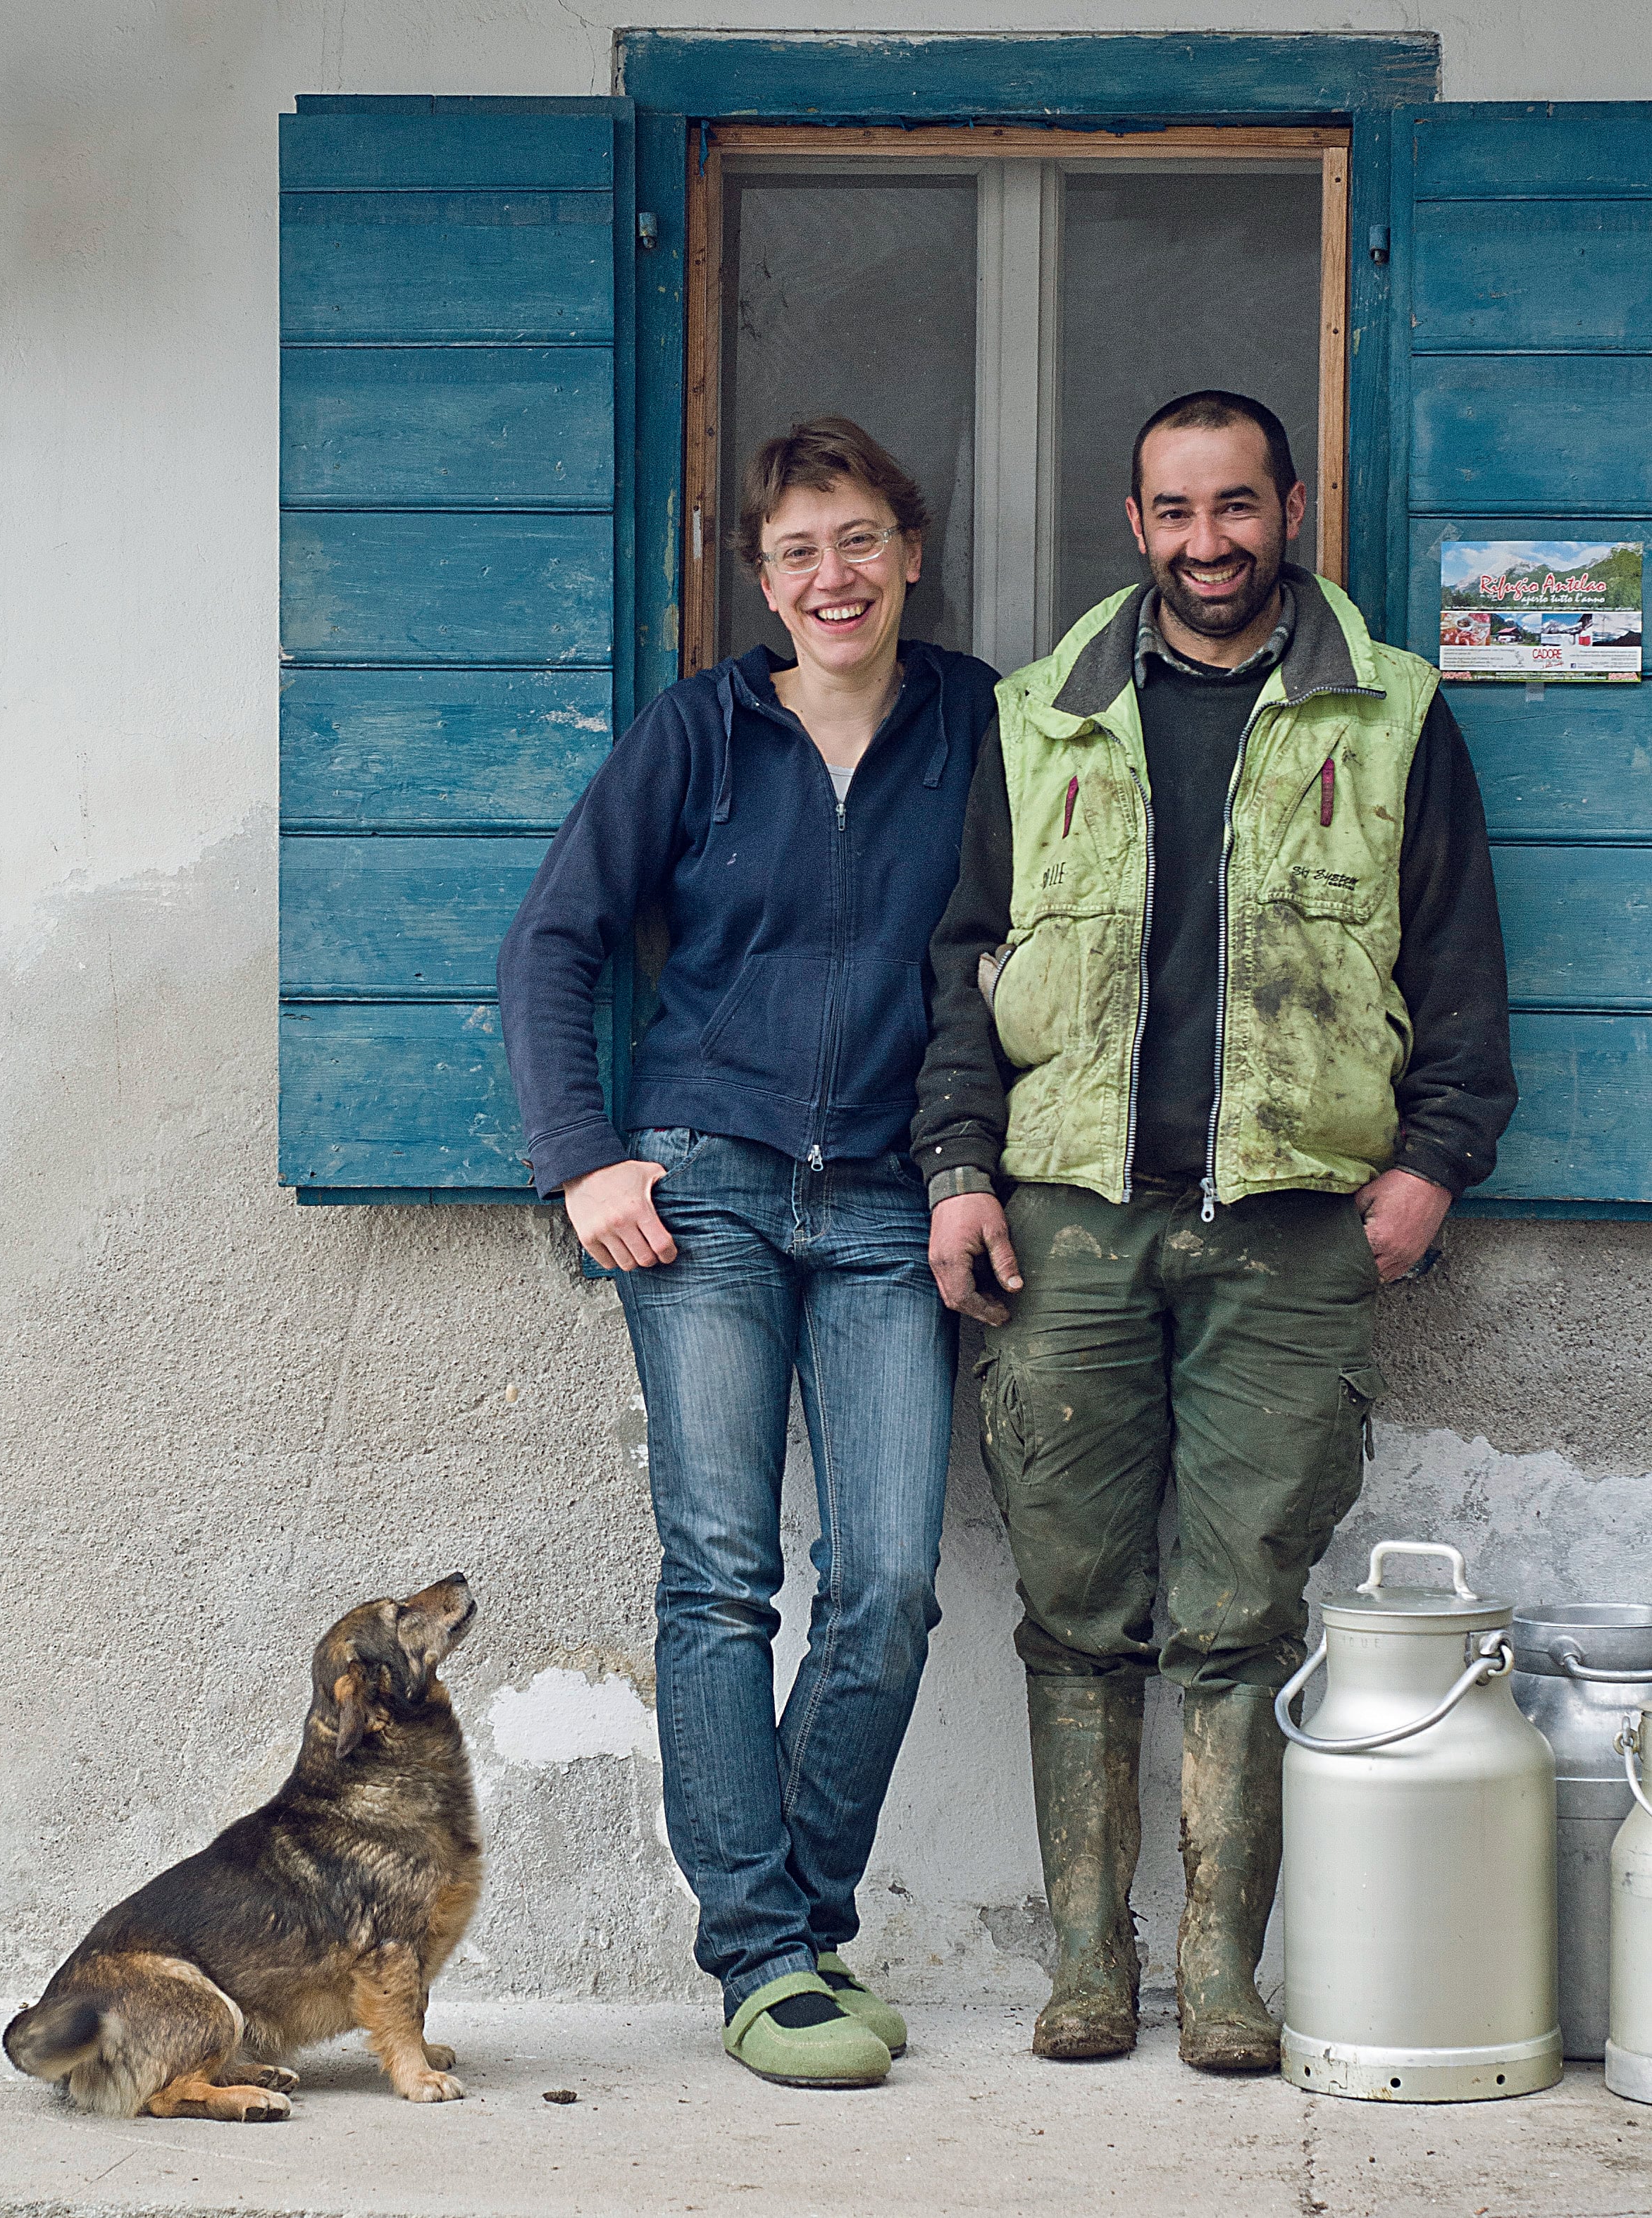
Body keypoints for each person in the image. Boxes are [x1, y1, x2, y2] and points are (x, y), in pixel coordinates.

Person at [912, 390, 1516, 2074]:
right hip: (1071, 1221)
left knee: (1244, 1610)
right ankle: (1087, 1965)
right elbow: (962, 961)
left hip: (1296, 1224)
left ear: (1291, 507)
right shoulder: (1041, 717)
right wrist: (958, 1164)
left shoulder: (1392, 714)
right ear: (1134, 523)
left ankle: (1222, 1974)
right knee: (1076, 1608)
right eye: (1175, 512)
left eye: (1237, 505)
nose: (1208, 542)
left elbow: (1460, 965)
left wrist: (1434, 1163)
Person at [497, 419, 999, 2089]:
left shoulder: (981, 724)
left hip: (890, 1199)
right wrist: (582, 1157)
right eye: (797, 552)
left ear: (909, 552)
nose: (831, 575)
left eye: (857, 540)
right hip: (702, 1185)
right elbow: (554, 939)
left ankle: (793, 1924)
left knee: (889, 1581)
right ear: (763, 581)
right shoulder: (700, 729)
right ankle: (771, 1959)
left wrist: (971, 1165)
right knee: (720, 1573)